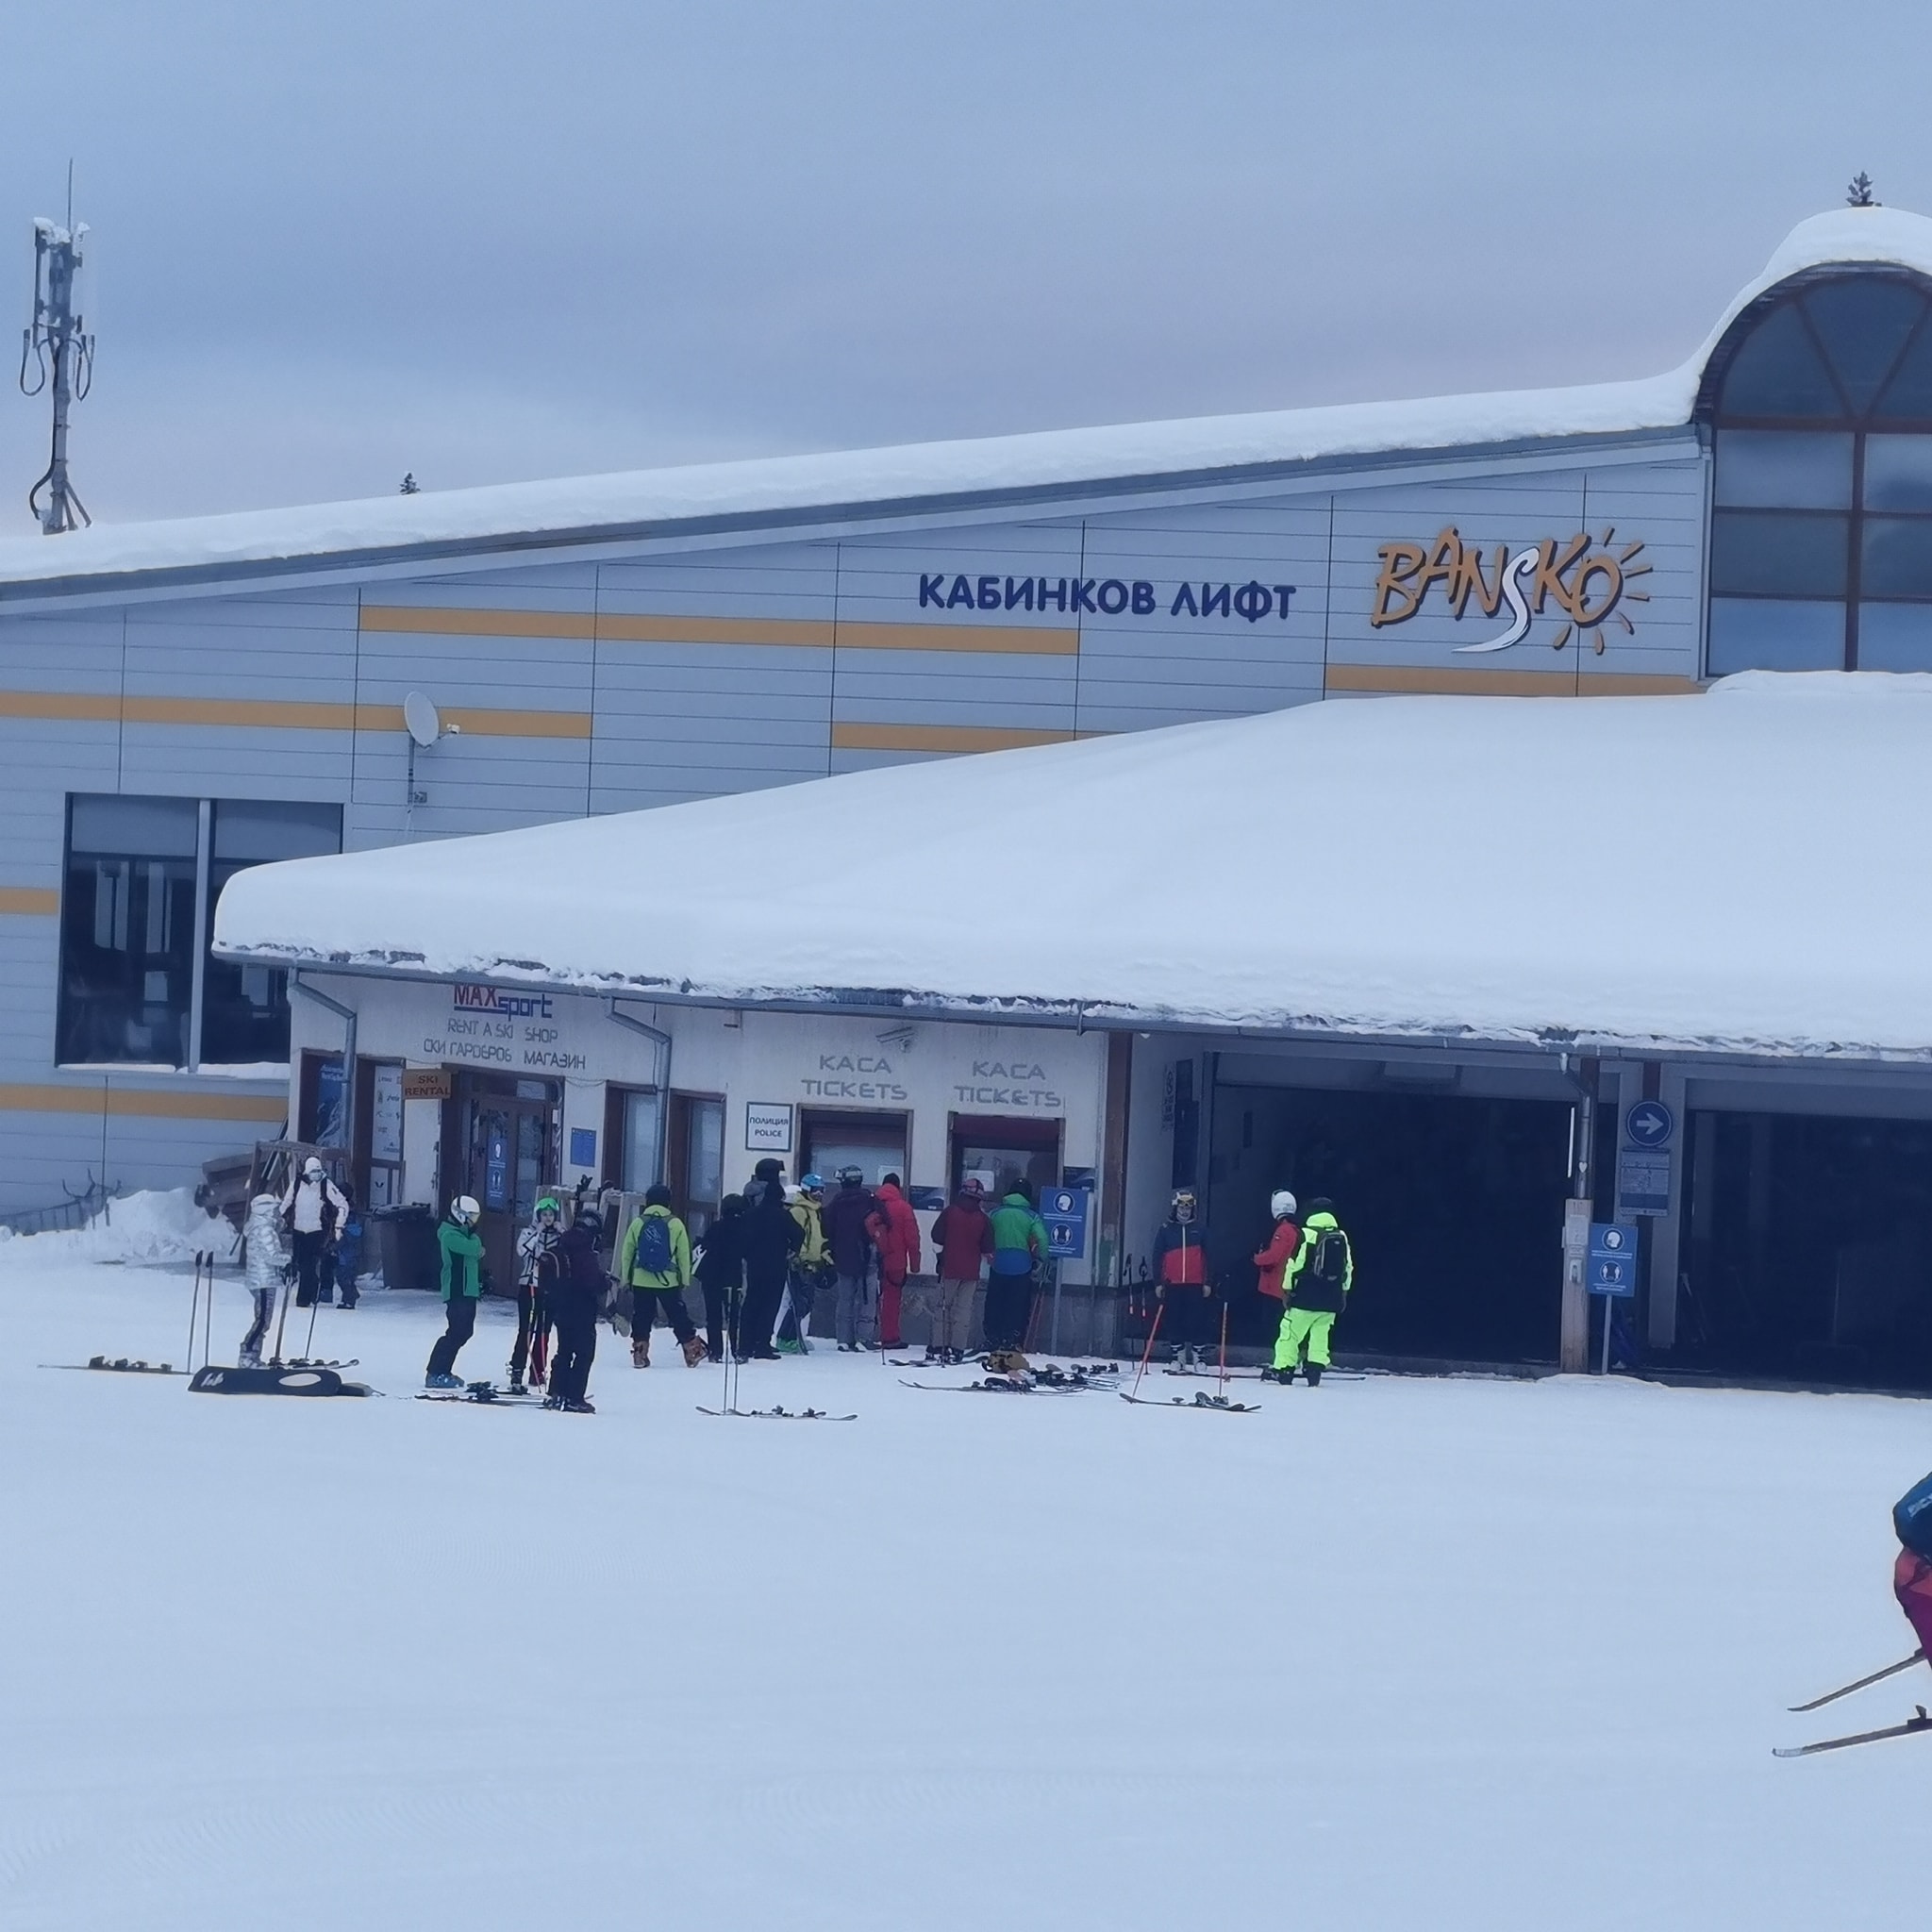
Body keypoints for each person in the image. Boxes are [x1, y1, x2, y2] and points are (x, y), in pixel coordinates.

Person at [618, 1185, 706, 1367]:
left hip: (641, 1279)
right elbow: (683, 1254)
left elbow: (627, 1252)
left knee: (641, 1316)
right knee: (678, 1315)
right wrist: (685, 1279)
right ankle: (692, 1350)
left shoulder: (638, 1222)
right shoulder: (675, 1223)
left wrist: (626, 1278)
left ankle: (639, 1354)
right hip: (668, 1280)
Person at [1272, 1198, 1353, 1386]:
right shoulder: (1340, 1235)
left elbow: (1294, 1265)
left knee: (1290, 1333)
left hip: (1305, 1296)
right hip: (1331, 1298)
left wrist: (1287, 1289)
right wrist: (1344, 1291)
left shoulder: (1306, 1234)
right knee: (1320, 1335)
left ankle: (1285, 1369)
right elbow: (1348, 1267)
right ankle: (1314, 1371)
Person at [736, 1158, 803, 1360]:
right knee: (770, 1304)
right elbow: (798, 1233)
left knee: (751, 1303)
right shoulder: (782, 1215)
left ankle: (744, 1346)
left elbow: (742, 1236)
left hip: (755, 1264)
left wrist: (746, 1254)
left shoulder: (751, 1212)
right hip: (776, 1265)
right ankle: (762, 1344)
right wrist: (792, 1250)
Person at [545, 1203, 608, 1412]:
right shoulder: (585, 1251)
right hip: (581, 1309)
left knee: (564, 1350)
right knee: (583, 1353)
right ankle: (575, 1397)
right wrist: (604, 1282)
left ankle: (557, 1391)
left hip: (561, 1307)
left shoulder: (564, 1243)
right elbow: (591, 1282)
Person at [927, 1177, 993, 1362]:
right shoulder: (983, 1219)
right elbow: (988, 1247)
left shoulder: (950, 1212)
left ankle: (939, 1346)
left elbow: (936, 1236)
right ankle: (958, 1348)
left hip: (949, 1268)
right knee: (963, 1310)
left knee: (943, 1307)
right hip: (971, 1272)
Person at [425, 1194, 486, 1389]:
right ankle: (435, 1372)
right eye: (472, 1217)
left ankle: (444, 1370)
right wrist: (476, 1242)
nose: (474, 1222)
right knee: (456, 1331)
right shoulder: (450, 1235)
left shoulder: (462, 1234)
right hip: (457, 1289)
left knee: (465, 1331)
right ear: (461, 1216)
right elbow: (474, 1249)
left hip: (468, 1290)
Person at [985, 1184, 1050, 1360]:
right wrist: (1042, 1258)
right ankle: (1013, 1337)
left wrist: (987, 1252)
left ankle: (992, 1336)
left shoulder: (995, 1213)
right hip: (1022, 1265)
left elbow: (985, 1232)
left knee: (995, 1302)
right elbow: (1042, 1238)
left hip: (998, 1263)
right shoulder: (1031, 1216)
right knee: (1018, 1304)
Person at [1153, 1189, 1213, 1368]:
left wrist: (1208, 1282)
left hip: (1195, 1283)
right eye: (1182, 1207)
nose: (1185, 1211)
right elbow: (1157, 1257)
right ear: (1175, 1208)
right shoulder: (1165, 1230)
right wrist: (1158, 1283)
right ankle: (1177, 1356)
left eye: (1188, 1208)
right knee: (1174, 1319)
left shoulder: (1200, 1229)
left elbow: (1210, 1257)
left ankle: (1198, 1356)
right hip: (1173, 1283)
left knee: (1197, 1319)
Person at [280, 1155, 348, 1309]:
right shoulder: (296, 1184)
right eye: (313, 1171)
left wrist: (339, 1225)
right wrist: (278, 1218)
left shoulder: (326, 1185)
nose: (316, 1175)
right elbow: (286, 1203)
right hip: (298, 1231)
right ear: (306, 1171)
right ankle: (311, 1292)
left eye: (318, 1171)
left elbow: (342, 1204)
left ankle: (303, 1300)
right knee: (301, 1264)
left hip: (317, 1231)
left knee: (308, 1265)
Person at [822, 1165, 878, 1352]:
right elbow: (886, 1222)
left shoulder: (835, 1203)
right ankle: (864, 1337)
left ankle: (844, 1339)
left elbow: (826, 1229)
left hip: (844, 1256)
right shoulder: (871, 1200)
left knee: (845, 1299)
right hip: (868, 1255)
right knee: (868, 1299)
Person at [864, 1173, 922, 1354]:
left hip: (869, 1259)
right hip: (895, 1263)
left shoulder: (870, 1204)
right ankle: (889, 1338)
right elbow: (912, 1239)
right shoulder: (904, 1208)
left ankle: (861, 1336)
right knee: (891, 1302)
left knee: (865, 1298)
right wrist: (915, 1264)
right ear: (898, 1187)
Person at [510, 1193, 561, 1392]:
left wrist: (562, 1232)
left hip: (550, 1288)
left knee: (544, 1331)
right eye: (544, 1214)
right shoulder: (528, 1232)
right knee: (527, 1329)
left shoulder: (559, 1236)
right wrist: (537, 1234)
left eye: (551, 1215)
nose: (548, 1218)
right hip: (529, 1285)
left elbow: (566, 1254)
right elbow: (521, 1251)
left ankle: (538, 1371)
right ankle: (517, 1368)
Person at [775, 1174, 828, 1354]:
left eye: (822, 1191)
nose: (819, 1195)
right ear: (806, 1191)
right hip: (799, 1263)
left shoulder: (815, 1211)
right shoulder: (799, 1211)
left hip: (812, 1263)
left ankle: (792, 1337)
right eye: (815, 1191)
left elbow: (816, 1237)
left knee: (806, 1302)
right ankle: (785, 1338)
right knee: (800, 1302)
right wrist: (796, 1257)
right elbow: (793, 1236)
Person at [241, 1191, 290, 1368]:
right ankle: (247, 1354)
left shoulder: (264, 1228)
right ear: (266, 1211)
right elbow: (271, 1256)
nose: (277, 1213)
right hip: (262, 1279)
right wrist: (288, 1260)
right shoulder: (263, 1230)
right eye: (274, 1209)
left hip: (264, 1278)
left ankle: (253, 1356)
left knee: (263, 1320)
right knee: (262, 1320)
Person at [694, 1193, 746, 1362]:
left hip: (711, 1278)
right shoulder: (743, 1228)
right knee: (734, 1316)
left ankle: (716, 1352)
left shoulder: (715, 1227)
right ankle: (737, 1350)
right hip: (732, 1278)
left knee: (713, 1316)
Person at [1252, 1190, 1302, 1314]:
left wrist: (1257, 1258)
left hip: (1274, 1288)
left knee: (1270, 1324)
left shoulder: (1283, 1230)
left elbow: (1274, 1256)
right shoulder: (1296, 1230)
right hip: (1286, 1287)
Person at [326, 1181, 364, 1310]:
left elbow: (343, 1233)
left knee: (344, 1277)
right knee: (345, 1276)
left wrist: (334, 1246)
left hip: (346, 1252)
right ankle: (347, 1298)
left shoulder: (344, 1212)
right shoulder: (349, 1209)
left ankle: (350, 1299)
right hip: (348, 1251)